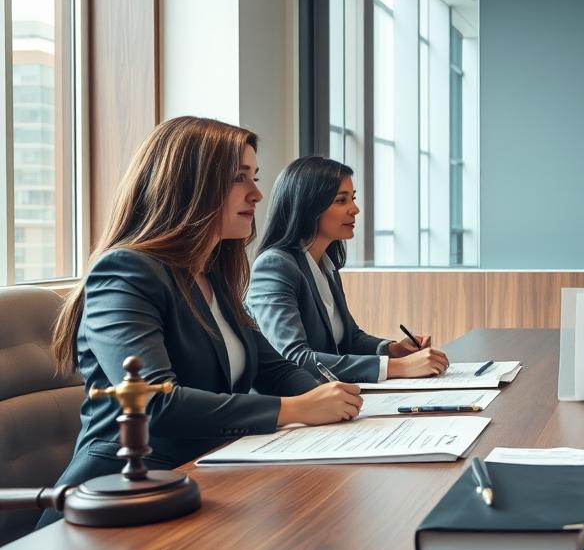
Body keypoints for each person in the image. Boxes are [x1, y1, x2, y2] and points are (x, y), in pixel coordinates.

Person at [41, 117, 362, 528]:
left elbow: (274, 368)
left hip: (202, 478)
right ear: (188, 184)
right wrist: (294, 409)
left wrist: (336, 401)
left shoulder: (211, 273)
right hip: (123, 494)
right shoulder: (125, 271)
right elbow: (156, 403)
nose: (257, 194)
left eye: (254, 177)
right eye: (238, 178)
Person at [247, 156, 449, 383]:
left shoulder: (325, 265)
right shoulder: (275, 266)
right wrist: (398, 367)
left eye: (352, 198)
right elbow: (295, 358)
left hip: (334, 394)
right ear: (308, 205)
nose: (355, 209)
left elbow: (349, 338)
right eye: (341, 200)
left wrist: (393, 350)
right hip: (302, 400)